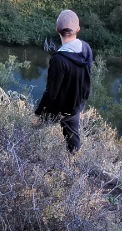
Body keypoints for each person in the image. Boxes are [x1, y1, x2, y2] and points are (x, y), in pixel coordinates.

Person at [35, 9, 93, 154]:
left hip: (60, 109)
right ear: (78, 29)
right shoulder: (86, 48)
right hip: (76, 105)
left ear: (57, 30)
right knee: (73, 143)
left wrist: (39, 113)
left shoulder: (59, 59)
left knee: (32, 129)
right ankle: (74, 165)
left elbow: (51, 93)